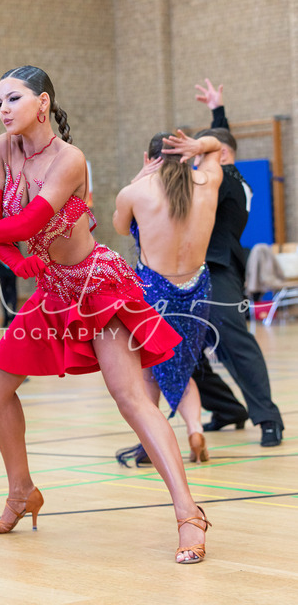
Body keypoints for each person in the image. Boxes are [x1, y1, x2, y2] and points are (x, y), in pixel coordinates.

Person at [0, 65, 212, 564]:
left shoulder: (70, 158)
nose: (3, 110)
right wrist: (14, 261)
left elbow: (26, 223)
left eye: (14, 99)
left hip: (96, 285)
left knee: (130, 398)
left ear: (42, 103)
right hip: (52, 289)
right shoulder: (1, 149)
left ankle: (188, 513)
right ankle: (22, 492)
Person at [113, 130, 222, 467]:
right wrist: (200, 145)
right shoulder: (207, 182)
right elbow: (217, 146)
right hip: (196, 290)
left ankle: (150, 441)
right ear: (187, 154)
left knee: (150, 370)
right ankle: (195, 429)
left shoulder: (135, 191)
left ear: (149, 158)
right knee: (183, 367)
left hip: (153, 291)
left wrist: (136, 178)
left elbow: (120, 227)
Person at [191, 78, 284, 447]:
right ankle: (228, 409)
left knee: (234, 343)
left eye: (201, 153)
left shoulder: (228, 178)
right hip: (191, 274)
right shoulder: (221, 170)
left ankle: (268, 418)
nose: (195, 160)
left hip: (219, 271)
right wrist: (218, 112)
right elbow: (222, 141)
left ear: (221, 155)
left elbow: (220, 148)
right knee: (176, 348)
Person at [0, 254, 17, 326]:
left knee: (11, 288)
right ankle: (6, 315)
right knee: (5, 289)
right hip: (1, 258)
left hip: (11, 257)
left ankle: (13, 314)